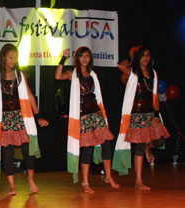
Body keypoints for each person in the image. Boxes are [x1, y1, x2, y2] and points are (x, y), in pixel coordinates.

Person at [0, 33, 49, 195]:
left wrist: (39, 116)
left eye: (16, 57)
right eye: (11, 57)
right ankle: (12, 185)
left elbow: (29, 96)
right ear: (3, 58)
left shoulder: (20, 75)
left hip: (21, 118)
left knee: (27, 150)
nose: (13, 60)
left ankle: (30, 179)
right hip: (4, 119)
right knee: (7, 153)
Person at [55, 47, 119, 194]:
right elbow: (58, 76)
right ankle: (85, 182)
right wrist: (63, 58)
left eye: (87, 56)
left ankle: (108, 176)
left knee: (106, 142)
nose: (84, 59)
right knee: (87, 147)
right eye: (82, 56)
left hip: (96, 112)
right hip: (82, 115)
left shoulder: (93, 75)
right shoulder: (73, 74)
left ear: (90, 58)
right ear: (77, 58)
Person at [114, 45, 170, 190]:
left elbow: (156, 96)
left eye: (148, 55)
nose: (146, 58)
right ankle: (138, 181)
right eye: (143, 55)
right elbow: (122, 65)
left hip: (150, 114)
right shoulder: (132, 72)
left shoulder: (153, 74)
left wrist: (156, 115)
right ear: (138, 57)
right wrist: (133, 55)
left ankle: (148, 147)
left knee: (160, 140)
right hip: (136, 115)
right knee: (138, 147)